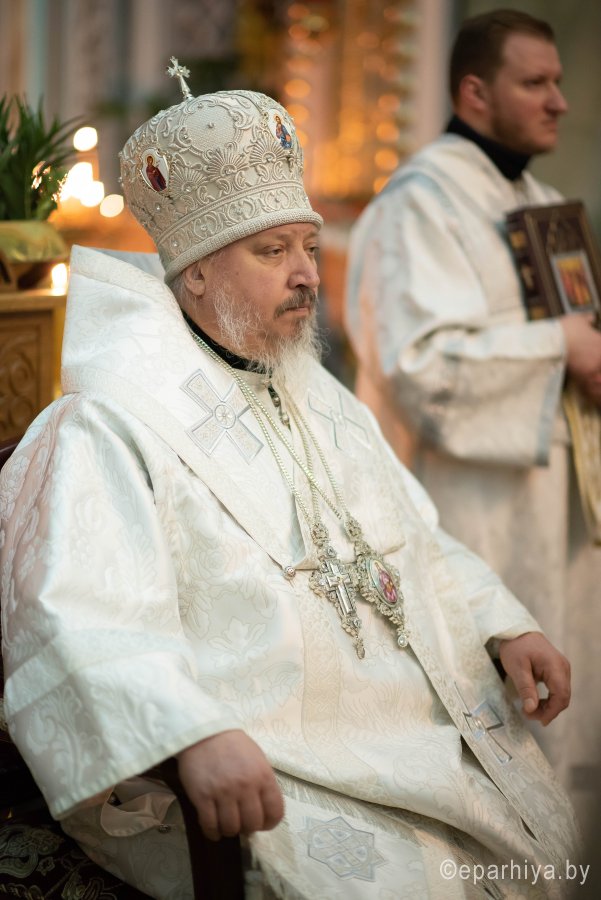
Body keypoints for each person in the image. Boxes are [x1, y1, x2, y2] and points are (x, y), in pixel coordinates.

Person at [0, 75, 581, 900]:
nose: (307, 274)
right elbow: (80, 619)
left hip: (406, 740)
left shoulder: (317, 395)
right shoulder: (109, 425)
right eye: (272, 253)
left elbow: (415, 535)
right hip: (260, 765)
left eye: (308, 247)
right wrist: (190, 734)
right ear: (195, 275)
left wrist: (501, 624)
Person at [344, 9, 601, 824]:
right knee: (496, 740)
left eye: (557, 81)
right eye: (535, 82)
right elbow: (418, 366)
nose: (558, 100)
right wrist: (559, 345)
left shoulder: (542, 201)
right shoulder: (420, 203)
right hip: (471, 514)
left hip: (560, 504)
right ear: (473, 93)